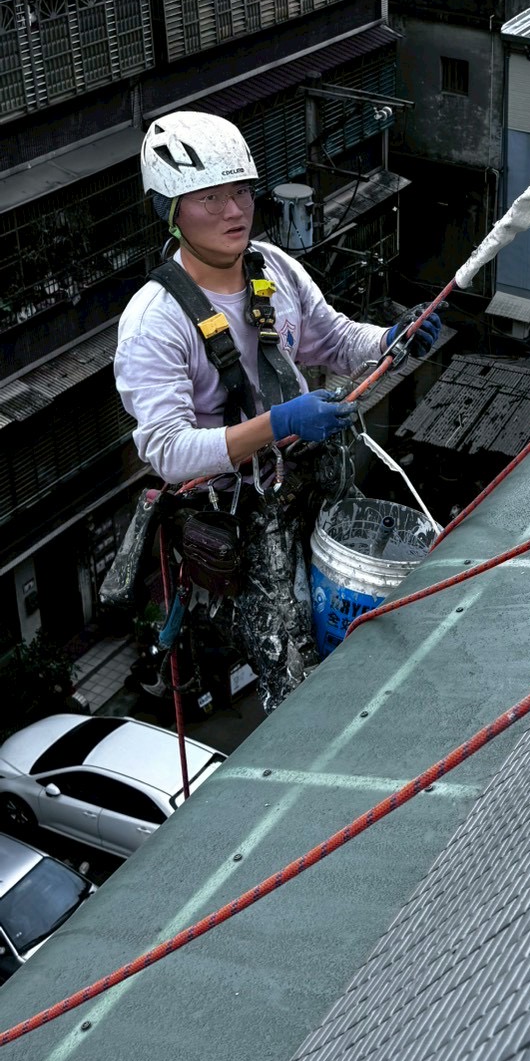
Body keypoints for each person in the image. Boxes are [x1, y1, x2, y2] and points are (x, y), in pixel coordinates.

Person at [114, 110, 440, 711]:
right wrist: (278, 423)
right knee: (295, 673)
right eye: (209, 198)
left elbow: (334, 341)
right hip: (242, 510)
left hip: (313, 482)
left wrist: (392, 338)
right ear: (171, 210)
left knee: (368, 611)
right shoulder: (155, 323)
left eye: (240, 191)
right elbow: (166, 451)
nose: (235, 211)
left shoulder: (273, 269)